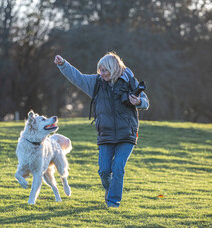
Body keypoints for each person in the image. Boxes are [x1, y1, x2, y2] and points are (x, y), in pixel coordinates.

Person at [54, 52, 149, 208]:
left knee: (118, 166)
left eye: (105, 70)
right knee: (104, 171)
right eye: (100, 70)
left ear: (114, 69)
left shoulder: (129, 81)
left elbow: (145, 101)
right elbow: (77, 77)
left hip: (127, 134)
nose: (102, 73)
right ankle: (110, 190)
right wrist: (63, 64)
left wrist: (138, 101)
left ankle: (113, 203)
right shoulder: (96, 83)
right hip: (106, 134)